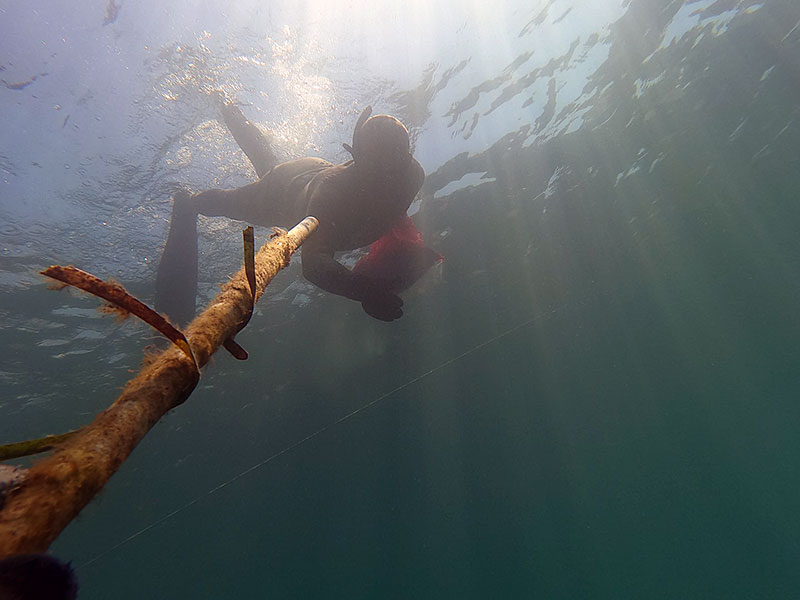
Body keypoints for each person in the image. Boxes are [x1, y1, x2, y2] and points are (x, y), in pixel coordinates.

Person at [155, 104, 439, 325]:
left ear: (406, 154)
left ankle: (230, 111)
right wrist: (367, 292)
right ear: (356, 157)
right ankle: (189, 204)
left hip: (313, 173)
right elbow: (313, 265)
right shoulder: (330, 198)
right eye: (380, 164)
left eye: (397, 160)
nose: (389, 176)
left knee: (267, 162)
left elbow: (391, 216)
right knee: (235, 200)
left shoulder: (412, 175)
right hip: (284, 189)